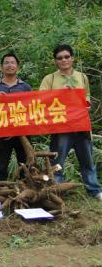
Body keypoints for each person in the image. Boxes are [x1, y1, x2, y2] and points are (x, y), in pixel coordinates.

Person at [39, 44, 102, 200]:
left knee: (87, 160)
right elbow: (40, 100)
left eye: (67, 56)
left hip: (81, 125)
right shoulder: (50, 79)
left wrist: (86, 103)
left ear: (72, 58)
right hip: (60, 127)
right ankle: (55, 190)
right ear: (55, 61)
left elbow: (86, 98)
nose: (64, 60)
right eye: (60, 58)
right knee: (58, 161)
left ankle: (94, 190)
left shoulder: (82, 77)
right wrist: (61, 94)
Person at [0, 53, 32, 181]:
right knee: (1, 163)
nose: (9, 65)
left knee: (25, 162)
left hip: (22, 130)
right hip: (2, 130)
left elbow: (32, 108)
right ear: (1, 67)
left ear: (17, 67)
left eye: (12, 63)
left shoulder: (25, 87)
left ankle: (26, 188)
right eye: (6, 63)